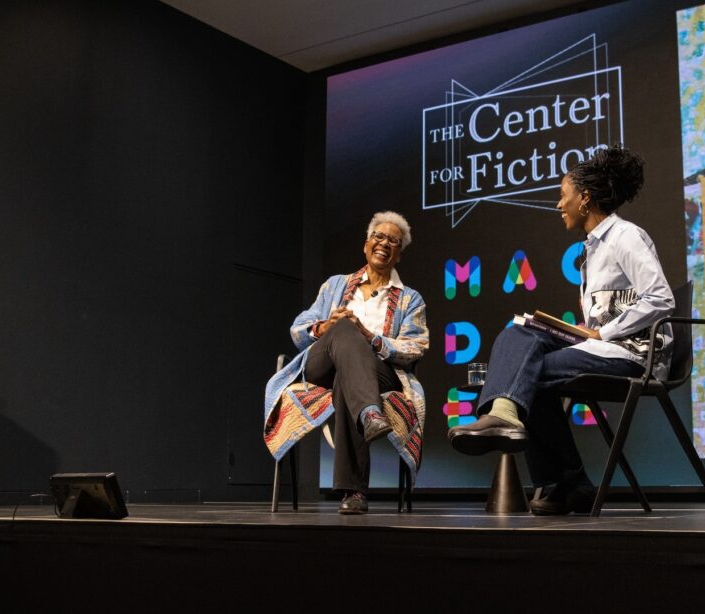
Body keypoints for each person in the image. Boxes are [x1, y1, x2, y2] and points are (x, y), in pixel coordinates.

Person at [448, 145, 675, 515]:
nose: (558, 205)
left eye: (562, 196)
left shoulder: (624, 236)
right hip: (604, 347)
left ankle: (559, 480)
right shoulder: (592, 250)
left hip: (634, 356)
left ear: (585, 199)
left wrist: (604, 332)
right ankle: (557, 471)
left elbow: (661, 298)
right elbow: (608, 314)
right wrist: (583, 330)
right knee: (519, 331)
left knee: (528, 375)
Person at [263, 211, 428, 515]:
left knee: (347, 378)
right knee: (343, 327)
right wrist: (327, 327)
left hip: (379, 372)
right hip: (320, 367)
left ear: (399, 254)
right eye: (379, 236)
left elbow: (415, 347)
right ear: (366, 245)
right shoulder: (335, 285)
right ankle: (370, 413)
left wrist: (371, 337)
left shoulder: (410, 299)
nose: (384, 243)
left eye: (394, 240)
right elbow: (299, 328)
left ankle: (354, 492)